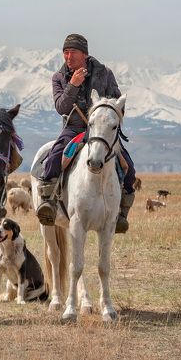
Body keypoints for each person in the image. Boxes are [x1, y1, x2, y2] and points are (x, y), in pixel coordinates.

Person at [35, 33, 136, 232]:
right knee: (54, 157)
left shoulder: (104, 73)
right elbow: (61, 107)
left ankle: (121, 213)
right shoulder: (59, 77)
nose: (68, 57)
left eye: (72, 52)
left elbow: (117, 103)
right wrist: (73, 85)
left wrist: (107, 114)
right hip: (73, 128)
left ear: (84, 54)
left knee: (128, 167)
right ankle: (49, 202)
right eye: (65, 52)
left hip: (101, 130)